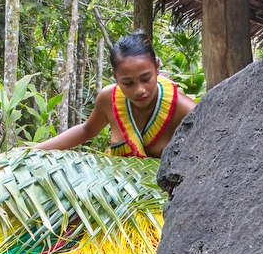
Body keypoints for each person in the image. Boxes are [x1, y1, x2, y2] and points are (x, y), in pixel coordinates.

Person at [33, 30, 195, 158]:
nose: (139, 90)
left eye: (146, 79)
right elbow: (87, 130)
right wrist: (32, 151)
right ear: (115, 77)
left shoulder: (185, 110)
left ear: (157, 67)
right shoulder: (108, 98)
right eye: (128, 83)